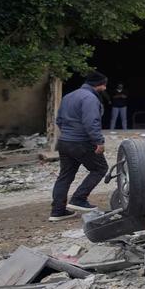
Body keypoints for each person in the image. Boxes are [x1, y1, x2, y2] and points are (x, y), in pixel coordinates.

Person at [50, 72, 109, 222]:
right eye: (104, 84)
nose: (105, 87)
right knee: (100, 168)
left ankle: (57, 211)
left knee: (65, 176)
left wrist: (69, 135)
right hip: (81, 142)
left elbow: (59, 120)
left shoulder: (69, 96)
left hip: (64, 142)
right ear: (98, 84)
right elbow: (91, 122)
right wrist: (99, 141)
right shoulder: (90, 98)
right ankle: (79, 199)